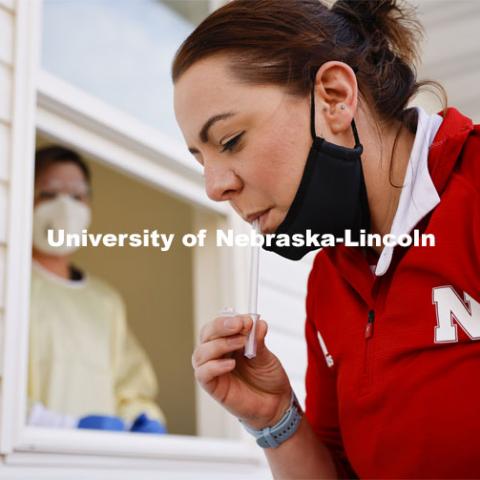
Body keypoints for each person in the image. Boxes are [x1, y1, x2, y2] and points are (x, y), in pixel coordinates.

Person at [172, 0, 480, 478]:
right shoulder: (329, 282)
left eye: (230, 140)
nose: (215, 187)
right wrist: (274, 419)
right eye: (201, 160)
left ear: (335, 97)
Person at [28, 145, 166, 433]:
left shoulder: (106, 302)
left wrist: (141, 418)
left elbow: (131, 388)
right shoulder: (13, 286)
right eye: (49, 194)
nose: (65, 208)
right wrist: (66, 426)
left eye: (77, 196)